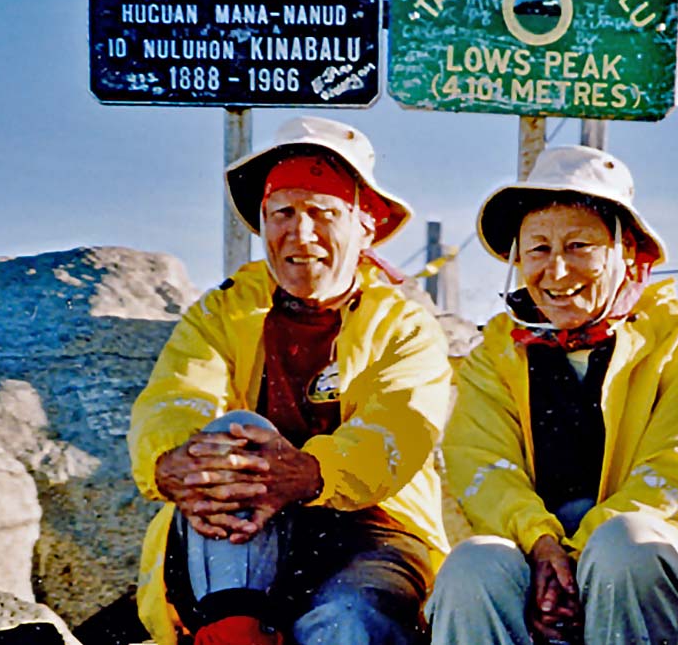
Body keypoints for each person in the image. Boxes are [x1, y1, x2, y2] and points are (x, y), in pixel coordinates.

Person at [128, 116, 452, 645]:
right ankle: (234, 633)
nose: (301, 234)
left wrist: (312, 471)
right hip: (243, 520)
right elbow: (173, 399)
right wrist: (172, 460)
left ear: (365, 225)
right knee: (227, 434)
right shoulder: (222, 309)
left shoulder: (406, 323)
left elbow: (400, 432)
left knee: (347, 620)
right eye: (284, 212)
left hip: (375, 528)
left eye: (324, 212)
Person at [427, 146, 678, 645]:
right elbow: (479, 464)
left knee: (625, 545)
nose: (556, 272)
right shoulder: (495, 355)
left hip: (651, 560)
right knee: (475, 566)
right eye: (538, 249)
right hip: (539, 557)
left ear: (627, 252)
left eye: (579, 246)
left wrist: (576, 558)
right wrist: (542, 545)